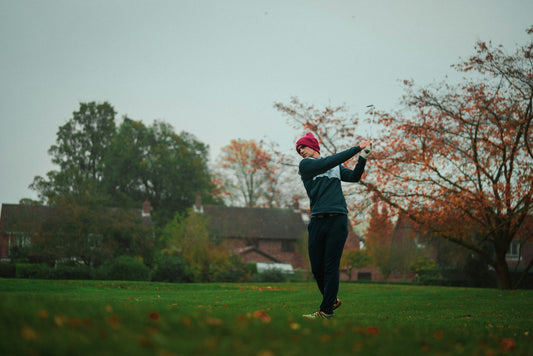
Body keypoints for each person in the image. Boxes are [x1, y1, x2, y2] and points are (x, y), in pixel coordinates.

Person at [296, 132, 371, 320]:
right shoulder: (306, 165)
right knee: (316, 268)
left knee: (330, 266)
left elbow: (354, 177)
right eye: (299, 150)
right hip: (317, 220)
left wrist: (363, 157)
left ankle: (326, 310)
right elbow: (327, 162)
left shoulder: (334, 167)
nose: (301, 152)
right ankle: (331, 299)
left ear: (313, 146)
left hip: (337, 220)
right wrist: (357, 148)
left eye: (303, 147)